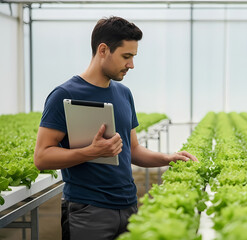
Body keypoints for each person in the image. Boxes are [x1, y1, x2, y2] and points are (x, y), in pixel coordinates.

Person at [34, 16, 198, 240]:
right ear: (103, 50)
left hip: (129, 206)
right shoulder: (64, 95)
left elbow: (133, 150)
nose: (131, 64)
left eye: (133, 57)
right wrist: (91, 152)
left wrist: (168, 158)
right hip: (88, 211)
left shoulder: (124, 94)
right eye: (126, 56)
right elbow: (42, 157)